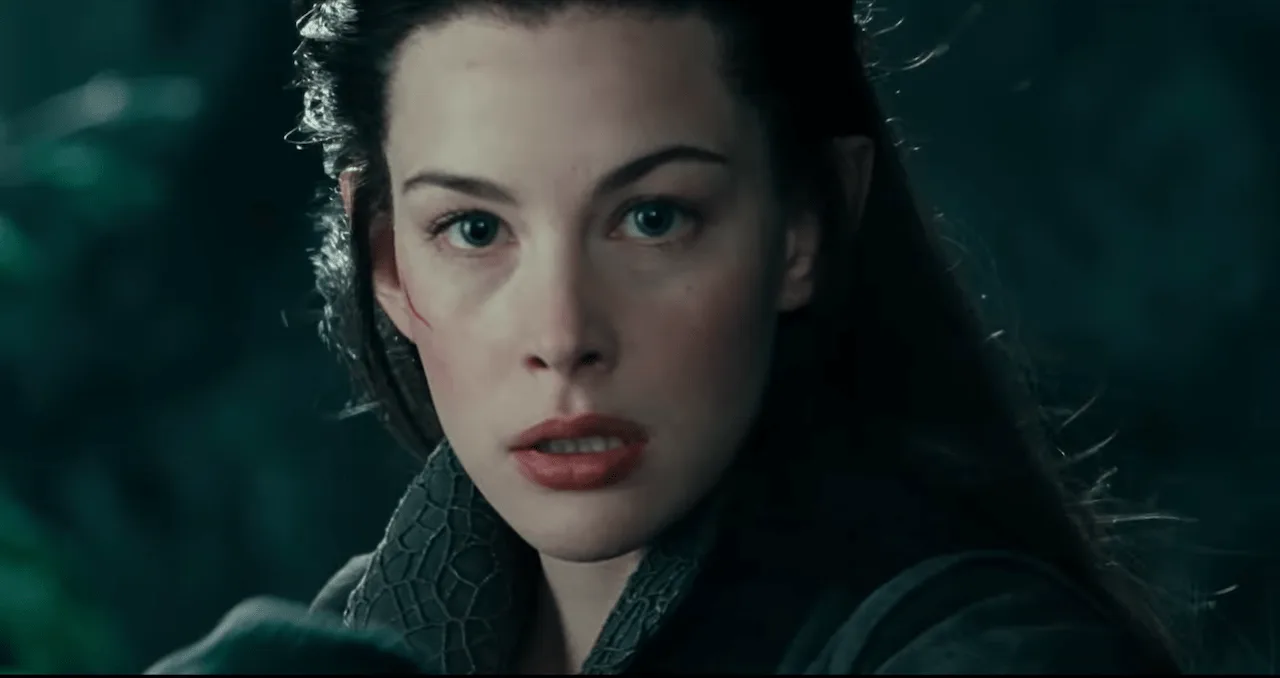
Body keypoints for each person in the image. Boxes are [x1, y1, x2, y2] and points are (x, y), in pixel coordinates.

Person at [147, 0, 1184, 673]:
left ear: (803, 226)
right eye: (473, 229)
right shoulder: (349, 632)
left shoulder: (987, 655)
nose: (563, 334)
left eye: (652, 218)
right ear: (387, 263)